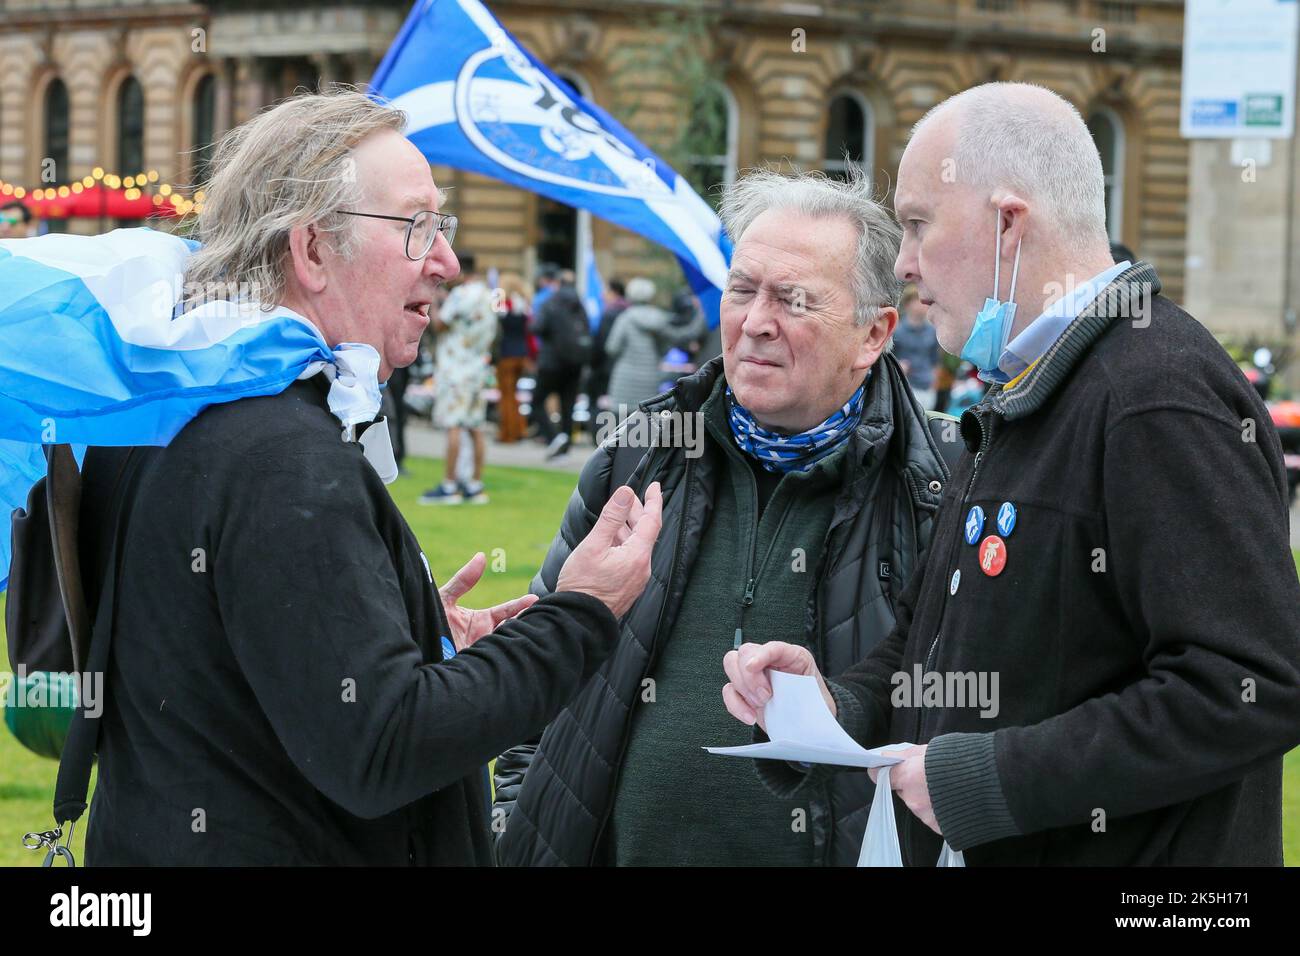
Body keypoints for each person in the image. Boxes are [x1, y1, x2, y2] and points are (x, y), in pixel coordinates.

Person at [78, 90, 664, 866]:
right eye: (417, 225)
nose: (448, 262)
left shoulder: (166, 404)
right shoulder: (279, 454)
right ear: (313, 252)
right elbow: (383, 747)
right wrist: (581, 613)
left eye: (443, 226)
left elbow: (233, 671)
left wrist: (407, 631)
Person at [722, 82, 1300, 866]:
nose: (904, 262)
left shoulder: (1155, 393)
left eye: (920, 224)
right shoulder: (1029, 391)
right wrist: (834, 706)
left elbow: (1251, 685)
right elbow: (943, 650)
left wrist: (995, 779)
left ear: (1006, 223)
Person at [493, 168, 957, 866]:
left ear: (873, 333)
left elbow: (983, 715)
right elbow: (542, 665)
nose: (756, 322)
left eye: (794, 300)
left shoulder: (947, 478)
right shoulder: (639, 455)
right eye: (742, 290)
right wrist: (519, 822)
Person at [420, 253, 497, 505]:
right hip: (478, 367)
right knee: (475, 426)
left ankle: (449, 484)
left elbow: (439, 324)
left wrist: (436, 302)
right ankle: (474, 484)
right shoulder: (490, 295)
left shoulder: (461, 295)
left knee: (453, 424)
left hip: (455, 369)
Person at [602, 277, 708, 419]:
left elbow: (612, 347)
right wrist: (703, 314)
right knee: (644, 422)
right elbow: (676, 339)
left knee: (621, 425)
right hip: (649, 378)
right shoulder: (658, 319)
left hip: (624, 380)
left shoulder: (625, 318)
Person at [531, 268, 591, 459]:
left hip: (551, 362)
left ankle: (554, 437)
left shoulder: (551, 302)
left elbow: (537, 327)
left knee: (537, 401)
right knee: (568, 406)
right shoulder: (579, 305)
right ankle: (564, 448)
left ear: (557, 283)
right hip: (575, 363)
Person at [494, 272, 532, 444]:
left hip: (507, 354)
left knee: (506, 396)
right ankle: (520, 429)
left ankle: (508, 433)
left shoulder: (504, 304)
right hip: (521, 354)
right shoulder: (523, 304)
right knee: (514, 395)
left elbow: (495, 317)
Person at [891, 286, 941, 410]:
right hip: (906, 386)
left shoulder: (932, 330)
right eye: (919, 301)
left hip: (927, 387)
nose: (923, 305)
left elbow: (935, 359)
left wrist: (934, 382)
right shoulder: (896, 331)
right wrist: (898, 366)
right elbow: (887, 360)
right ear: (908, 305)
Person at [585, 277, 627, 405]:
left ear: (614, 292)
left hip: (605, 368)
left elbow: (602, 343)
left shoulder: (610, 314)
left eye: (605, 291)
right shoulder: (627, 310)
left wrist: (592, 364)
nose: (602, 295)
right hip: (621, 366)